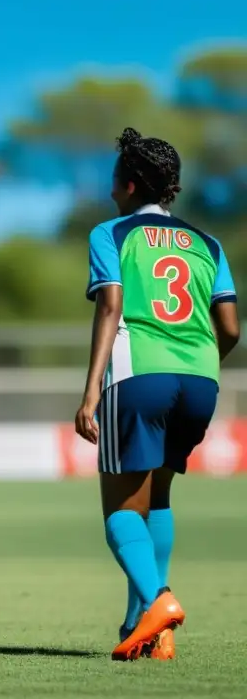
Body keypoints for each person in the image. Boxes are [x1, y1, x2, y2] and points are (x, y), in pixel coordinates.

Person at [75, 128, 239, 661]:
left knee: (120, 512)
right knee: (159, 496)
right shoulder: (207, 243)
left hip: (138, 375)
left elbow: (110, 307)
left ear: (126, 184)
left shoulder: (111, 233)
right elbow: (231, 328)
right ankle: (146, 627)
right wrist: (200, 360)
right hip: (200, 380)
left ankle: (160, 602)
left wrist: (90, 394)